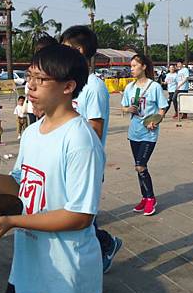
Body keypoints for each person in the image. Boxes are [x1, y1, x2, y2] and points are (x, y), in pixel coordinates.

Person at [0, 43, 110, 293]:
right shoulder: (33, 132)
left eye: (41, 79)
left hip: (66, 265)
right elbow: (19, 187)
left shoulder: (80, 140)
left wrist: (13, 221)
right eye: (29, 76)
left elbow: (80, 216)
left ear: (68, 87)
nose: (31, 85)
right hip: (30, 263)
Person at [60, 25, 123, 273]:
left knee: (82, 218)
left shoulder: (93, 86)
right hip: (67, 161)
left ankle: (104, 246)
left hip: (86, 164)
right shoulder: (71, 84)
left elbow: (95, 130)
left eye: (65, 48)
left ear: (79, 50)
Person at [122, 53, 168, 216]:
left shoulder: (154, 87)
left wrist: (156, 120)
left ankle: (150, 199)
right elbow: (123, 107)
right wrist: (128, 109)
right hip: (134, 132)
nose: (132, 69)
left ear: (144, 67)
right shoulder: (130, 87)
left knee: (140, 165)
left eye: (134, 66)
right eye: (131, 66)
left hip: (149, 133)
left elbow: (163, 108)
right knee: (139, 168)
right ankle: (144, 197)